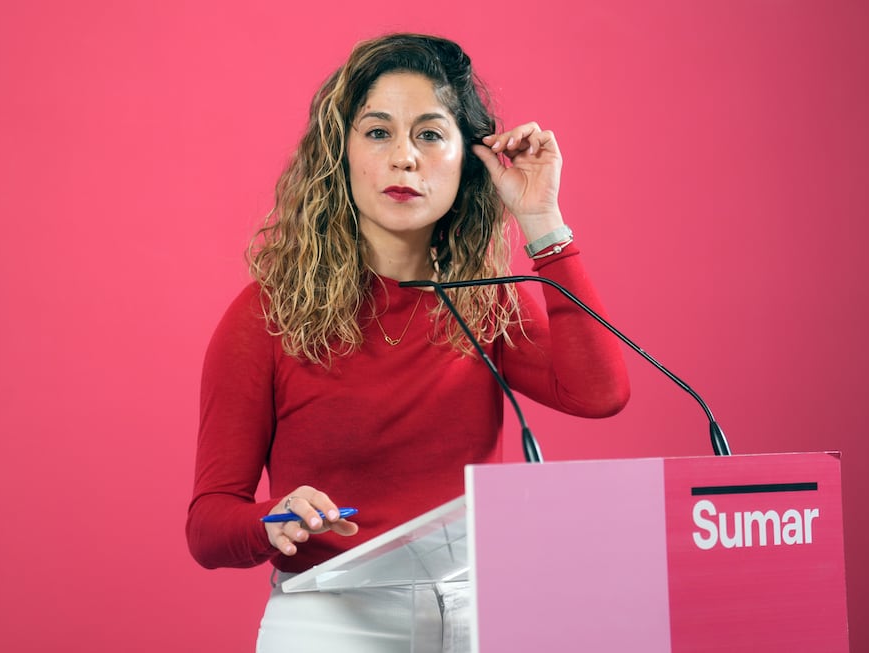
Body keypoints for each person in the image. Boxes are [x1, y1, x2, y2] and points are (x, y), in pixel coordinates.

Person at [186, 32, 630, 652]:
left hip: (482, 613)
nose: (404, 158)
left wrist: (542, 221)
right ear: (339, 155)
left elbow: (601, 393)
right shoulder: (268, 315)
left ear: (468, 159)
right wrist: (275, 519)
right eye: (377, 133)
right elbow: (208, 526)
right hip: (332, 617)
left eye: (429, 134)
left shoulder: (484, 300)